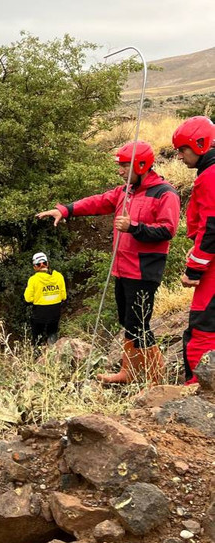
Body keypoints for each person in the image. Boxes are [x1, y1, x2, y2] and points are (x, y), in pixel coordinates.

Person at [37, 141, 180, 384]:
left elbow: (168, 230)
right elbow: (98, 201)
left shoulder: (165, 193)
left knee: (139, 325)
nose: (120, 171)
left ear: (142, 165)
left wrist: (134, 227)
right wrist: (66, 210)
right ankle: (129, 372)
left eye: (125, 166)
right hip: (122, 269)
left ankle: (156, 379)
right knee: (128, 322)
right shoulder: (125, 191)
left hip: (143, 271)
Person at [174, 116, 215, 383]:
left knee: (201, 331)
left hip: (212, 269)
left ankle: (196, 391)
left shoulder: (210, 176)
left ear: (200, 145)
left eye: (183, 149)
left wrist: (194, 269)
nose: (179, 156)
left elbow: (211, 226)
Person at [24, 252, 67, 347]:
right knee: (52, 332)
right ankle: (53, 351)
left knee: (37, 336)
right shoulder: (59, 276)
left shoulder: (33, 279)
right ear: (47, 264)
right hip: (55, 311)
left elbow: (28, 298)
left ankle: (36, 354)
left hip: (40, 312)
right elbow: (63, 296)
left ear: (35, 267)